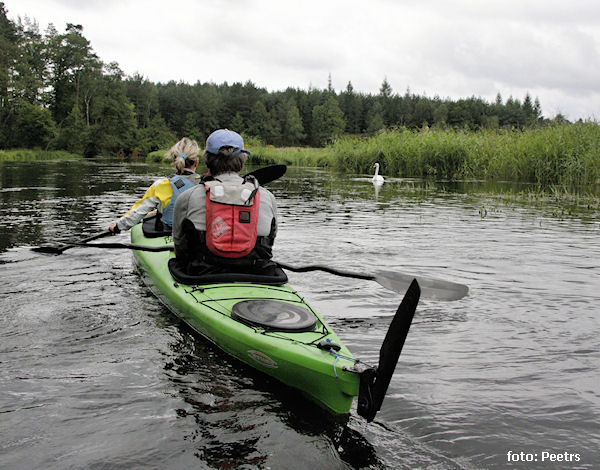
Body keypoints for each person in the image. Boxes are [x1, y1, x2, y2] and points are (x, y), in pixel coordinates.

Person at [172, 129, 278, 274]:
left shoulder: (187, 197)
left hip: (201, 272)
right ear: (242, 160)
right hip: (257, 272)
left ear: (207, 160)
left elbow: (179, 249)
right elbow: (270, 242)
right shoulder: (267, 197)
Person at [108, 137, 200, 234]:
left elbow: (139, 211)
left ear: (175, 162)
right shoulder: (205, 184)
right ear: (196, 162)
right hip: (197, 237)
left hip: (169, 233)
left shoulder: (162, 185)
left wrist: (118, 226)